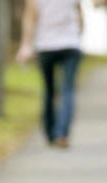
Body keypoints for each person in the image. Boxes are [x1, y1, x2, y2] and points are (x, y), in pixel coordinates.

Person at [17, 0, 85, 149]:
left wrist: (26, 45)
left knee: (49, 90)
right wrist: (79, 36)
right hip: (70, 43)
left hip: (46, 45)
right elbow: (79, 15)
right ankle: (61, 133)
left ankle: (50, 133)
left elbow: (30, 18)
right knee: (68, 89)